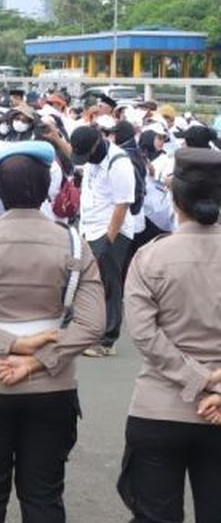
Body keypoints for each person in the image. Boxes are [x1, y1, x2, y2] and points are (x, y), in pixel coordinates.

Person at [0, 141, 105, 523]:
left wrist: (10, 345)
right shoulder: (73, 242)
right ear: (48, 186)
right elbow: (92, 324)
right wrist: (36, 357)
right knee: (44, 497)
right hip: (53, 384)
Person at [117, 147, 221, 522]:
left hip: (160, 405)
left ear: (175, 197)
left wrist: (196, 378)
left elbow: (144, 335)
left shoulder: (150, 256)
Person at [69, 125, 136, 358]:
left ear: (97, 144)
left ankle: (107, 340)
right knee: (84, 281)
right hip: (89, 227)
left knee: (109, 284)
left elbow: (123, 203)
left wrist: (108, 240)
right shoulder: (92, 156)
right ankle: (80, 329)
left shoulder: (119, 163)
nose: (85, 160)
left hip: (111, 230)